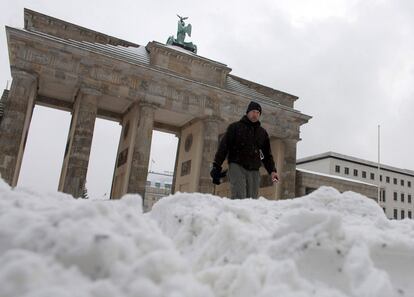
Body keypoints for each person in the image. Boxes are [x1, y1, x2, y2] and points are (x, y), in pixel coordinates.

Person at [210, 101, 279, 199]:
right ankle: (235, 213)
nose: (255, 114)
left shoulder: (262, 133)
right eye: (253, 111)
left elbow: (267, 155)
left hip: (254, 170)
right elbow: (223, 147)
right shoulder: (235, 127)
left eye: (258, 113)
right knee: (239, 196)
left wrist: (273, 171)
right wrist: (216, 166)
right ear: (248, 112)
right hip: (237, 165)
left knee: (252, 200)